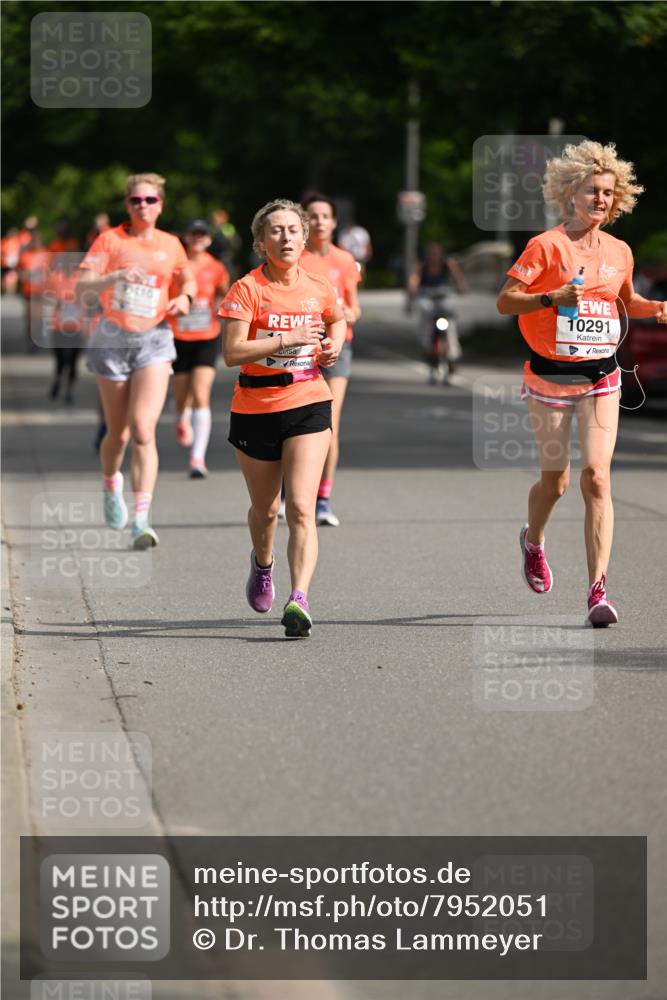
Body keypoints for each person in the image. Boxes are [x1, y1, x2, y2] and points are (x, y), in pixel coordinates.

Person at [496, 140, 667, 626]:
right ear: (571, 193)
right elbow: (506, 302)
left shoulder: (619, 251)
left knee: (596, 477)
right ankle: (533, 540)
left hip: (600, 377)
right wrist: (550, 298)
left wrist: (654, 310)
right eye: (592, 191)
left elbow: (625, 300)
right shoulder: (546, 246)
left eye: (608, 194)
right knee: (558, 482)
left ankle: (597, 592)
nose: (600, 200)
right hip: (550, 377)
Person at [219, 198, 346, 638]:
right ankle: (262, 561)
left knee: (301, 508)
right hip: (255, 406)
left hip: (309, 399)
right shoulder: (246, 289)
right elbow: (232, 353)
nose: (285, 237)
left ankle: (300, 599)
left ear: (304, 237)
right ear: (260, 241)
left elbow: (338, 319)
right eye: (275, 230)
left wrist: (334, 345)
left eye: (293, 229)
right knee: (265, 508)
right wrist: (284, 338)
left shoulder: (319, 285)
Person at [78, 172, 196, 548]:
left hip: (155, 340)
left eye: (150, 200)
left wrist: (185, 299)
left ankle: (142, 518)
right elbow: (82, 288)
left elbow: (187, 281)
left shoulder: (171, 244)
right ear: (127, 205)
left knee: (144, 428)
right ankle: (111, 483)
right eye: (136, 201)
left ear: (161, 205)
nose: (143, 206)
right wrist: (112, 277)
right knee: (119, 433)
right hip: (112, 340)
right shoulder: (110, 240)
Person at [300, 193, 361, 526]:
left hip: (338, 347)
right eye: (313, 215)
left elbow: (355, 305)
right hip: (300, 349)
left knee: (328, 426)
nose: (320, 221)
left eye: (325, 215)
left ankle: (322, 500)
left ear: (334, 222)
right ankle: (289, 492)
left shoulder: (345, 260)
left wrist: (349, 313)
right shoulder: (295, 258)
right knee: (293, 426)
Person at [170, 219, 229, 477]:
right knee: (182, 395)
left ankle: (197, 458)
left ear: (208, 239)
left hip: (207, 335)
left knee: (201, 392)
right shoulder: (175, 267)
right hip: (178, 336)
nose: (197, 238)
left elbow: (225, 295)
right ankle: (182, 417)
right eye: (193, 234)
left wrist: (223, 307)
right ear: (186, 237)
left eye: (202, 235)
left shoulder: (216, 268)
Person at [409, 240, 467, 384]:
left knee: (451, 322)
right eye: (431, 252)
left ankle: (453, 352)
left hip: (444, 297)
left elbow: (458, 279)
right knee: (425, 315)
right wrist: (413, 289)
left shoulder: (448, 264)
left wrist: (461, 287)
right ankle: (426, 345)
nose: (434, 255)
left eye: (436, 252)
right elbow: (414, 280)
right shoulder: (422, 266)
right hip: (427, 297)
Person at [47, 251, 88, 403]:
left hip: (76, 327)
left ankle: (70, 390)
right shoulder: (55, 277)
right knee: (60, 360)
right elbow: (45, 295)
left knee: (72, 361)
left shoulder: (83, 279)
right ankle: (58, 379)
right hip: (58, 326)